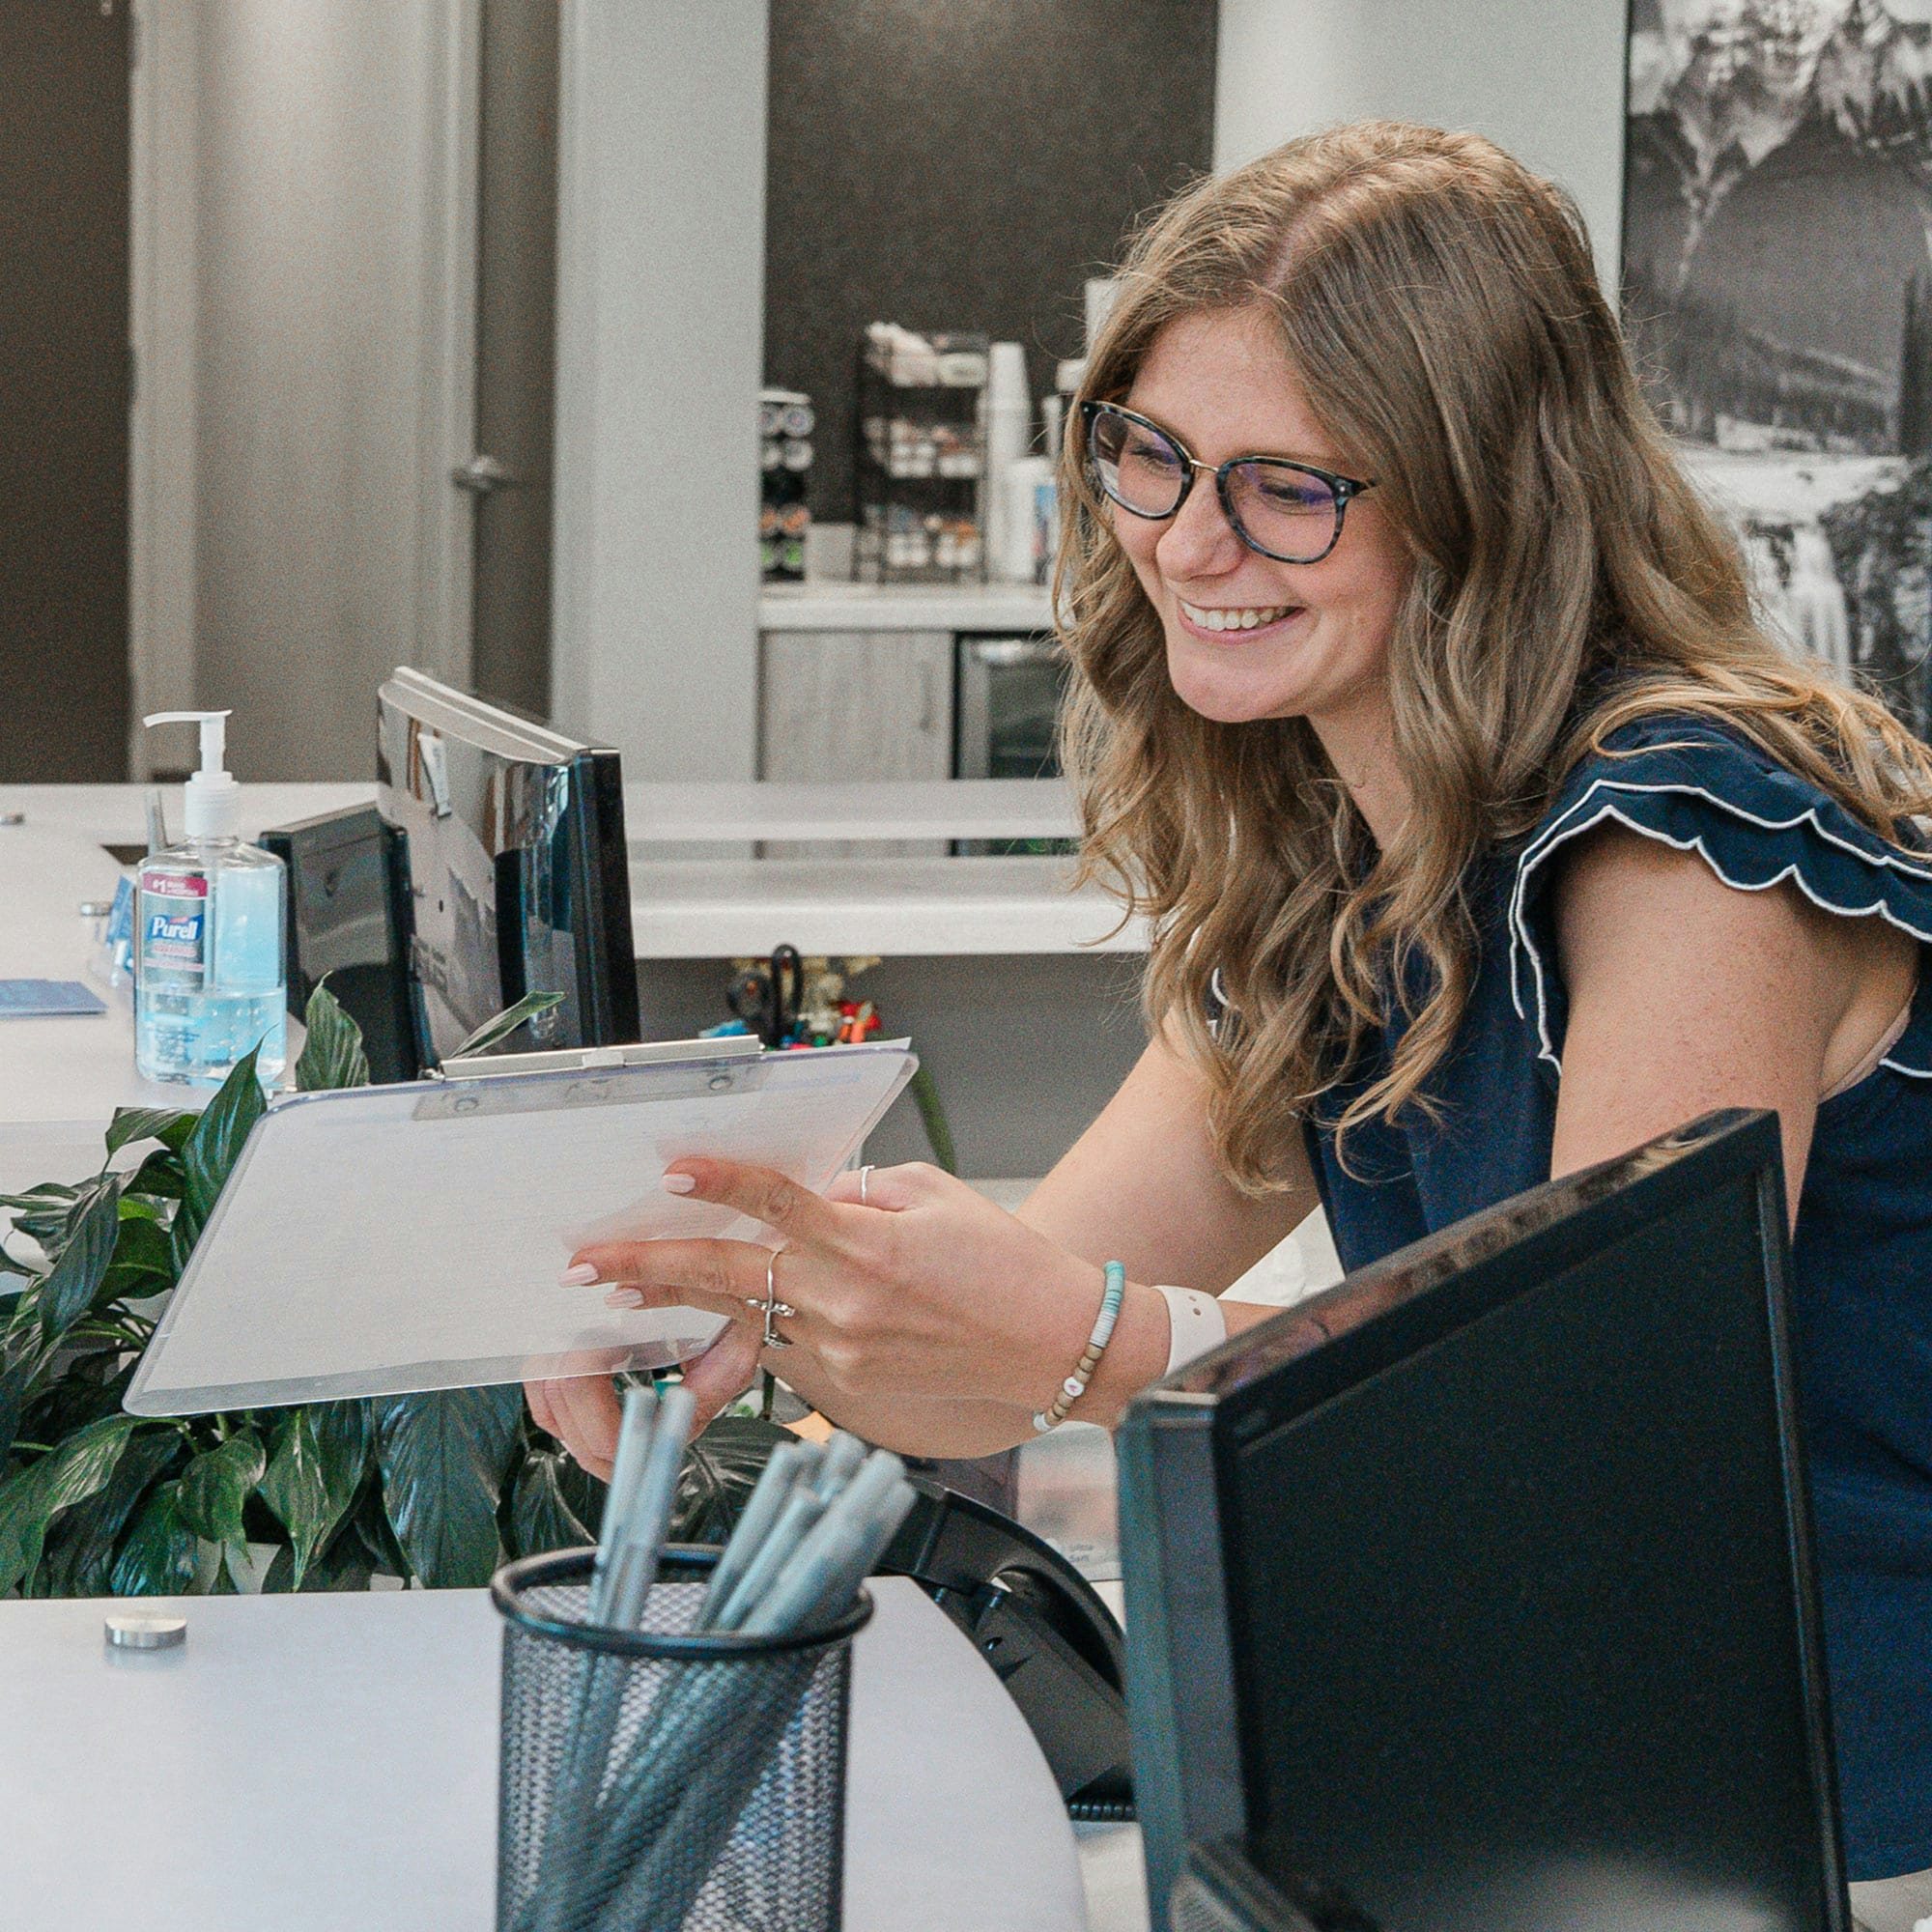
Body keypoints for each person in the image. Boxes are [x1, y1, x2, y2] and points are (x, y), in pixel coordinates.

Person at [528, 123, 1932, 1891]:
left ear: (1487, 499)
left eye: (1289, 486)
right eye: (1155, 458)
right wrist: (745, 1307)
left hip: (1838, 1831)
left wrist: (1087, 1348)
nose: (1192, 544)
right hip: (1557, 1785)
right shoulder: (1343, 842)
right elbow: (1015, 1325)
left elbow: (1572, 1469)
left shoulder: (1692, 845)